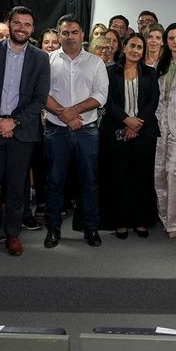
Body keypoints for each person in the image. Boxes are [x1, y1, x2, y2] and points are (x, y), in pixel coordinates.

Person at [0, 6, 50, 258]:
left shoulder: (40, 58)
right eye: (17, 23)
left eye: (27, 24)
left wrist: (13, 122)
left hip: (22, 132)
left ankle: (12, 235)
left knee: (17, 188)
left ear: (32, 28)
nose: (22, 28)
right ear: (9, 24)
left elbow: (40, 98)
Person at [42, 16, 108, 248]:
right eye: (65, 33)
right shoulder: (46, 60)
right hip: (56, 130)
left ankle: (91, 229)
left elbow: (101, 95)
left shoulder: (95, 62)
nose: (70, 37)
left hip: (86, 130)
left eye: (74, 32)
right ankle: (52, 229)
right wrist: (63, 114)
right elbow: (41, 93)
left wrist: (73, 111)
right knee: (54, 181)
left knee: (89, 182)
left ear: (82, 35)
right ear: (59, 35)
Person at [100, 33, 160, 238]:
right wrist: (126, 120)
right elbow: (107, 101)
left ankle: (141, 221)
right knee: (119, 179)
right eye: (132, 46)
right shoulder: (109, 72)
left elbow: (153, 102)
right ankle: (121, 222)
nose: (136, 50)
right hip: (116, 131)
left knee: (141, 178)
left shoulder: (150, 73)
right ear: (124, 47)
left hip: (144, 133)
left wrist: (136, 124)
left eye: (140, 47)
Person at [154, 25, 176, 238]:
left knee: (174, 171)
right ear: (166, 41)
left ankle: (174, 222)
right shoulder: (162, 63)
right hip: (160, 123)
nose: (175, 41)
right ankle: (164, 216)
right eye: (171, 38)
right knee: (159, 171)